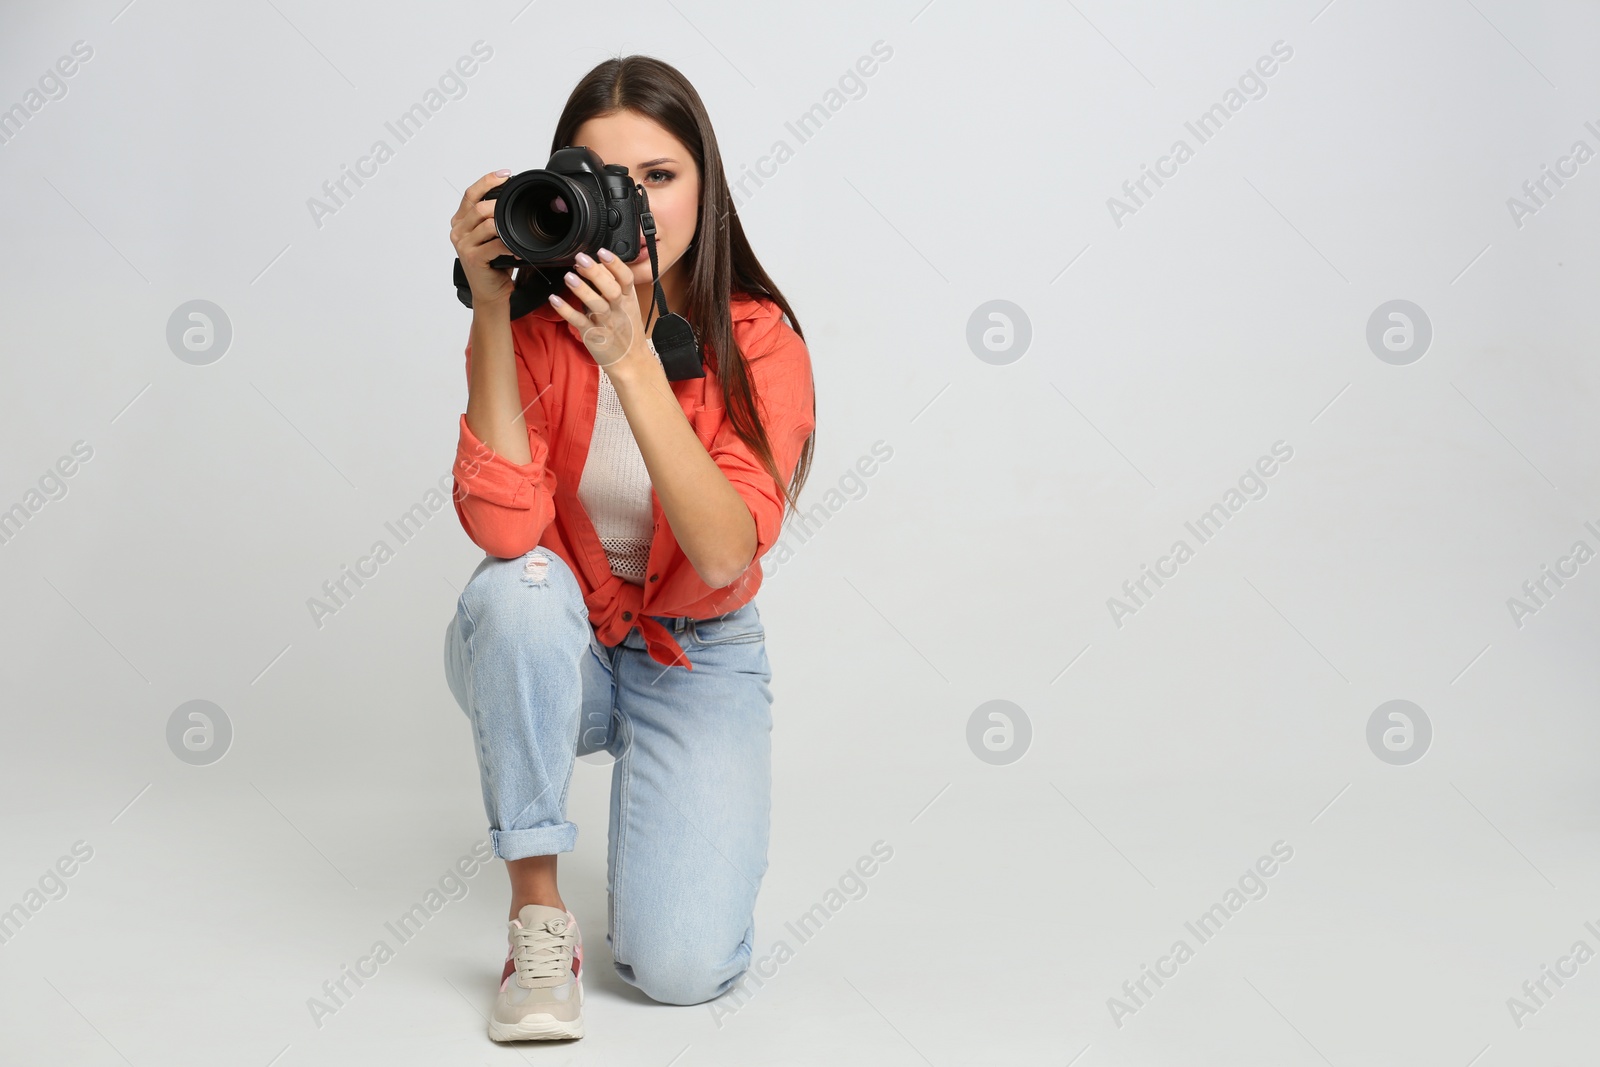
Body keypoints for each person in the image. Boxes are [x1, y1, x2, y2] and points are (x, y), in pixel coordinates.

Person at [441, 54, 816, 1043]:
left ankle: (661, 834)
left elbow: (725, 549)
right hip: (558, 636)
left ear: (705, 187)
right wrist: (488, 304)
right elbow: (504, 527)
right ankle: (537, 912)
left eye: (657, 176)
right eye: (603, 178)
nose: (631, 203)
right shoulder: (532, 322)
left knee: (683, 971)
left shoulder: (755, 338)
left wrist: (632, 360)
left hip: (697, 653)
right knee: (513, 589)